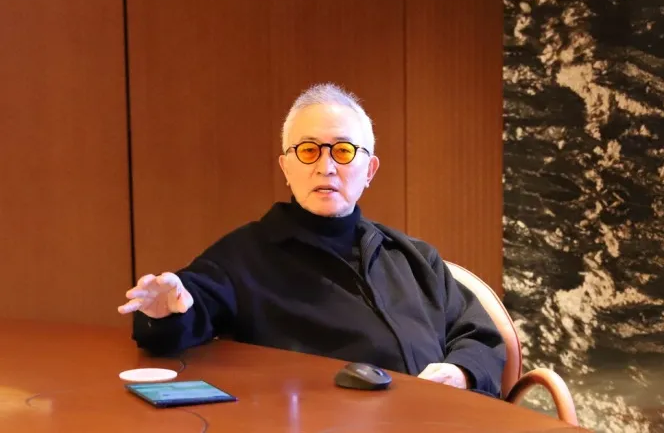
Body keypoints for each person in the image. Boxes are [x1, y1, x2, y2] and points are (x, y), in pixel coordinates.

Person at [118, 83, 506, 397]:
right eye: (308, 151)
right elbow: (189, 310)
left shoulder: (413, 256)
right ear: (286, 167)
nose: (326, 166)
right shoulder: (245, 256)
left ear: (369, 170)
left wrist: (462, 372)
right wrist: (166, 313)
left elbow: (479, 336)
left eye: (343, 150)